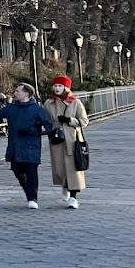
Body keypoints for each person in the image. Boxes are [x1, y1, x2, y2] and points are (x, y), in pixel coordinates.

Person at [0, 83, 55, 209]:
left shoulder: (37, 109)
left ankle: (32, 198)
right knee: (17, 170)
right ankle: (28, 192)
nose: (15, 93)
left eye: (18, 91)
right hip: (15, 145)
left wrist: (34, 132)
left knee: (31, 172)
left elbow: (49, 126)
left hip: (31, 146)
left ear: (27, 93)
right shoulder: (12, 108)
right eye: (16, 91)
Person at [43, 74, 89, 209]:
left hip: (72, 139)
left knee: (74, 168)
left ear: (66, 87)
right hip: (57, 138)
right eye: (55, 85)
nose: (57, 88)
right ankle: (65, 185)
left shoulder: (76, 102)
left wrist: (70, 121)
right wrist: (49, 129)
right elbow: (45, 120)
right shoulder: (48, 103)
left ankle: (74, 197)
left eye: (60, 86)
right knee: (60, 168)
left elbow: (84, 121)